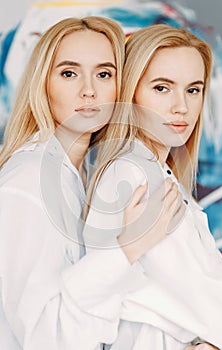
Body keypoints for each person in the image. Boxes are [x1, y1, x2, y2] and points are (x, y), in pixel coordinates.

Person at [0, 16, 188, 350]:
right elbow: (47, 338)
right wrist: (127, 248)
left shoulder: (88, 177)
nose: (89, 90)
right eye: (69, 73)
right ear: (42, 82)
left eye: (104, 73)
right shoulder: (27, 183)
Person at [84, 24, 222, 350]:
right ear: (131, 93)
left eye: (193, 90)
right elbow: (198, 291)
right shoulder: (133, 175)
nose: (181, 106)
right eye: (162, 88)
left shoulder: (157, 173)